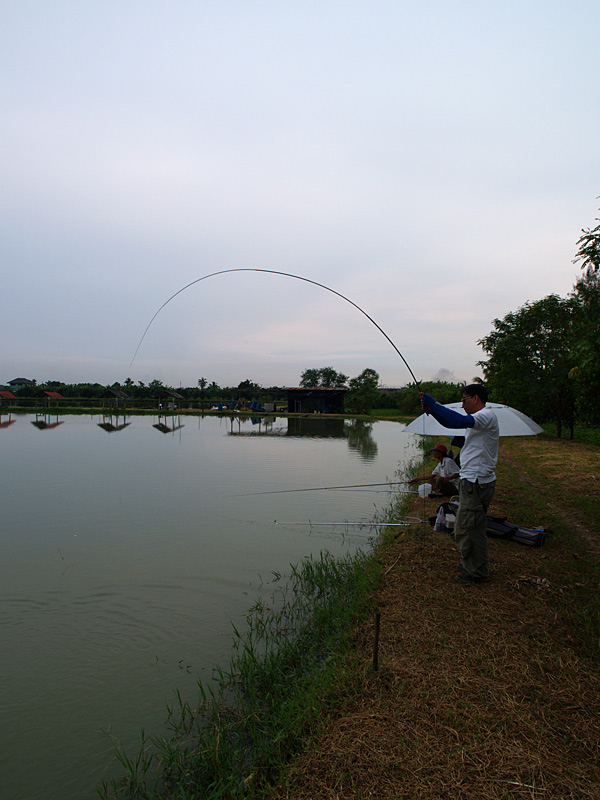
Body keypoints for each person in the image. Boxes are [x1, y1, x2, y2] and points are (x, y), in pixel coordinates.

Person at [419, 384, 499, 585]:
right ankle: (471, 564)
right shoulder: (478, 421)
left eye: (464, 400)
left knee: (469, 528)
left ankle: (477, 572)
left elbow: (457, 420)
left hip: (476, 481)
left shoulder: (485, 416)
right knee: (468, 527)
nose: (462, 404)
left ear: (476, 398)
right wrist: (433, 411)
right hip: (472, 480)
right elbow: (450, 422)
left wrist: (434, 404)